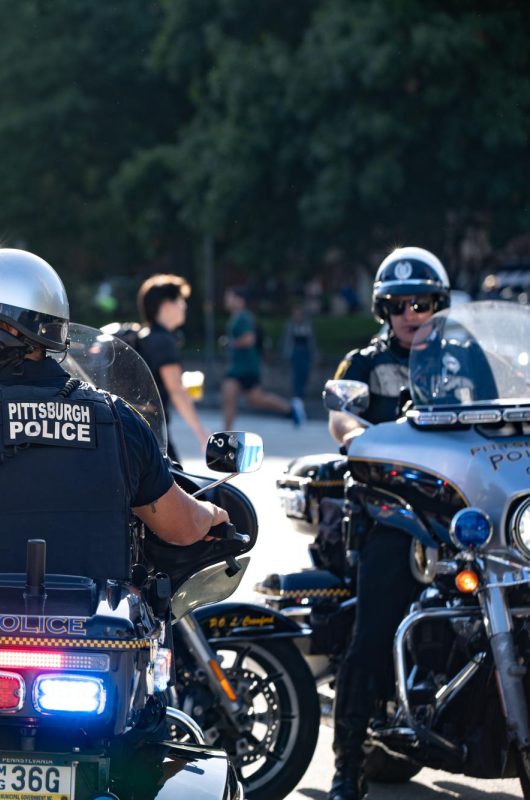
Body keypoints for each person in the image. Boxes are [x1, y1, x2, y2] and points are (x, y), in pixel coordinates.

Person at [0, 249, 230, 583]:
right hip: (95, 645)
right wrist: (212, 512)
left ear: (7, 328)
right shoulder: (121, 421)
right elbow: (181, 528)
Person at [325, 247, 451, 800]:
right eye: (398, 303)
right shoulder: (364, 362)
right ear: (383, 308)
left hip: (462, 513)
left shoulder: (461, 360)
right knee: (373, 633)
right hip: (394, 515)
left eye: (420, 302)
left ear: (437, 304)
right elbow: (341, 417)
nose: (410, 312)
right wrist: (356, 434)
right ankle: (347, 765)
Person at [134, 274, 210, 466]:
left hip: (136, 428)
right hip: (154, 434)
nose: (184, 306)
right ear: (166, 306)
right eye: (180, 301)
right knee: (177, 484)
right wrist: (201, 433)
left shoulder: (144, 337)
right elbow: (176, 390)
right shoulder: (164, 341)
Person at [221, 286, 305, 430]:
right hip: (236, 368)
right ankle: (226, 434)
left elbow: (249, 339)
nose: (226, 300)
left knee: (256, 399)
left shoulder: (244, 317)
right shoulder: (236, 317)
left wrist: (231, 344)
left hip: (247, 367)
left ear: (240, 301)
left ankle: (290, 408)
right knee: (229, 397)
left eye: (230, 297)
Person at [281, 306, 319, 400]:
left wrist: (314, 353)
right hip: (295, 351)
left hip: (305, 351)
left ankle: (302, 389)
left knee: (305, 371)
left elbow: (311, 341)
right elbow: (287, 340)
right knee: (296, 372)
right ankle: (298, 392)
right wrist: (286, 353)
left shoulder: (307, 325)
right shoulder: (290, 325)